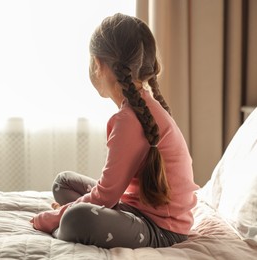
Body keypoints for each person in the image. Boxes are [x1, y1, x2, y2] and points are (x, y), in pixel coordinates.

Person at [30, 13, 199, 249]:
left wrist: (49, 219)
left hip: (162, 229)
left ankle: (67, 224)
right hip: (132, 207)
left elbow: (105, 197)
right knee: (63, 183)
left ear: (98, 64)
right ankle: (76, 217)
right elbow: (109, 193)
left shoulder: (129, 120)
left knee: (75, 218)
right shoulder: (141, 106)